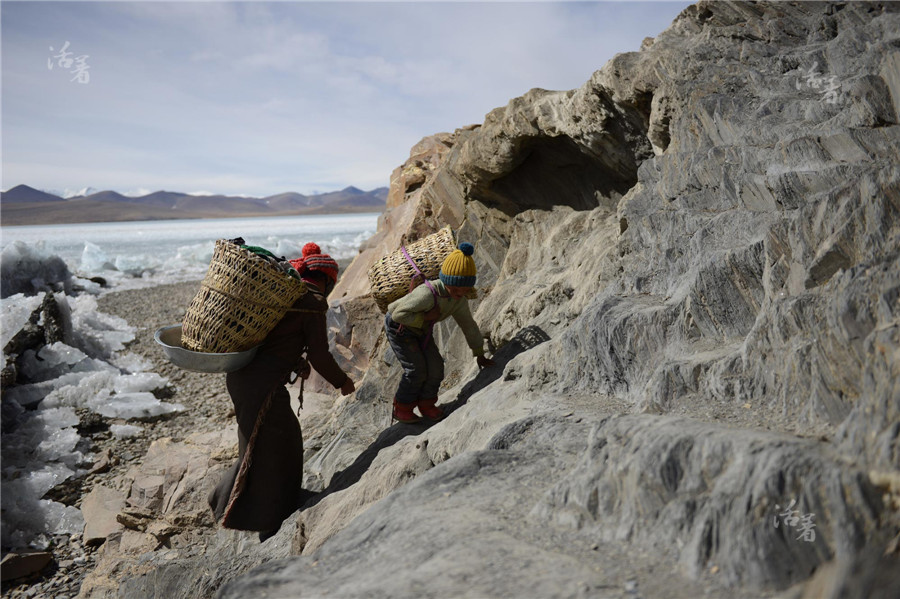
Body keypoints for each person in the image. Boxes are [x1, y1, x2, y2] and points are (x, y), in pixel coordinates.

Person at [208, 242, 355, 541]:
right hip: (259, 384)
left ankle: (229, 502)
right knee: (277, 443)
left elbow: (278, 339)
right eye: (333, 283)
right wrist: (342, 381)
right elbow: (320, 355)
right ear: (326, 279)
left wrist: (293, 362)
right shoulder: (312, 301)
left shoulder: (286, 294)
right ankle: (266, 517)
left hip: (243, 376)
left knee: (261, 443)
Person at [384, 241, 494, 423]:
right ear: (446, 281)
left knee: (435, 367)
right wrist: (426, 318)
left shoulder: (458, 301)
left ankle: (426, 404)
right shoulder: (427, 294)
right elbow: (397, 314)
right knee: (416, 369)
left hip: (421, 329)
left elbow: (469, 325)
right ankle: (402, 407)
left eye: (465, 290)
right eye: (455, 288)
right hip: (400, 329)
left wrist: (479, 353)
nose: (459, 293)